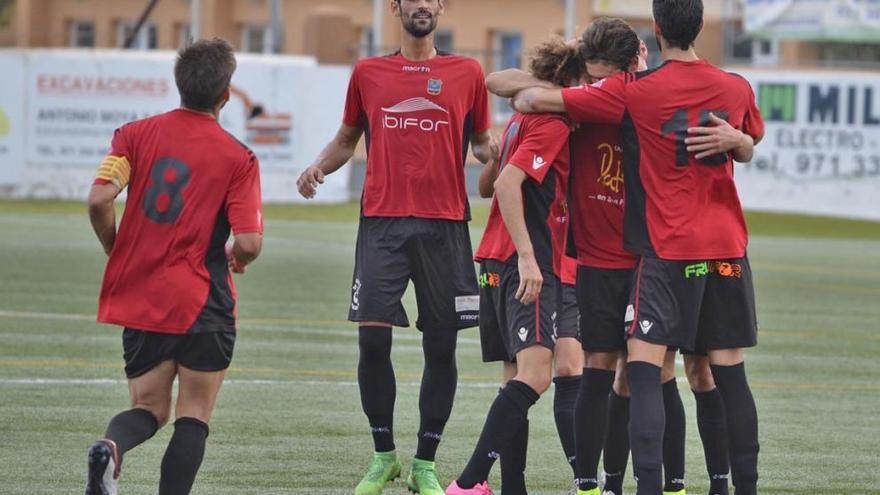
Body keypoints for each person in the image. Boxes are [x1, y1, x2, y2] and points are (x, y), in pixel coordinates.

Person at [498, 1, 765, 494]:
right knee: (726, 371)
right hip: (727, 246)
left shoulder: (637, 94)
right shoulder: (737, 86)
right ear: (701, 26)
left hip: (668, 250)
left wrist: (572, 86)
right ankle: (738, 487)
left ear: (657, 30)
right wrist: (741, 143)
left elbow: (528, 101)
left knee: (642, 369)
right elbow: (750, 141)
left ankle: (645, 486)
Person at [296, 1, 497, 494]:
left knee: (441, 347)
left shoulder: (467, 72)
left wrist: (497, 154)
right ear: (397, 8)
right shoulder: (369, 72)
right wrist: (319, 165)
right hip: (382, 224)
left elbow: (480, 143)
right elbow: (347, 138)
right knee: (371, 341)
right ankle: (383, 455)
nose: (423, 4)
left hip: (445, 225)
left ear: (441, 8)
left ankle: (424, 463)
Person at [85, 38, 263, 495]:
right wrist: (236, 258)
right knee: (193, 414)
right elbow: (248, 242)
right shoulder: (237, 157)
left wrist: (116, 248)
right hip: (204, 298)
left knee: (147, 408)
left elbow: (100, 198)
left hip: (144, 295)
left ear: (178, 85)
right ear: (226, 95)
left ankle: (111, 446)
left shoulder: (133, 136)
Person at [445, 38, 584, 495]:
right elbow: (504, 185)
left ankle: (513, 488)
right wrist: (528, 256)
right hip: (524, 261)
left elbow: (486, 183)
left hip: (493, 258)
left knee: (524, 376)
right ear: (571, 80)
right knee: (538, 375)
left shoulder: (523, 117)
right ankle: (468, 483)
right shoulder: (552, 122)